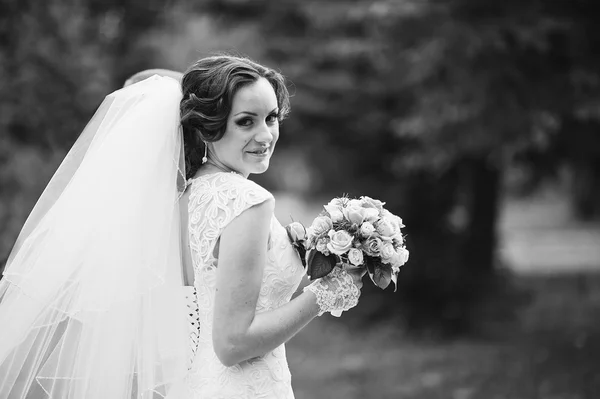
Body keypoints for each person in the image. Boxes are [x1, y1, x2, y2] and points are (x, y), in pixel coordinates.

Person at [0, 55, 363, 399]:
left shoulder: (182, 196)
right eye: (245, 121)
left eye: (271, 118)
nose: (265, 135)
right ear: (207, 126)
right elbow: (233, 343)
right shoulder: (247, 202)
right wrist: (326, 293)